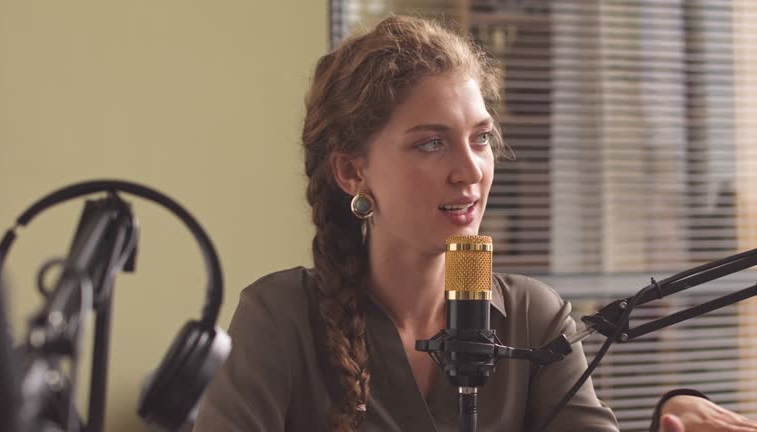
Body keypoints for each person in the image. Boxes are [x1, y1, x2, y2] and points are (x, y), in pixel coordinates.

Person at [191, 15, 755, 432]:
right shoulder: (280, 318)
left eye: (481, 138)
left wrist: (668, 419)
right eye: (431, 143)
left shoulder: (535, 318)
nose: (471, 170)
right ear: (350, 170)